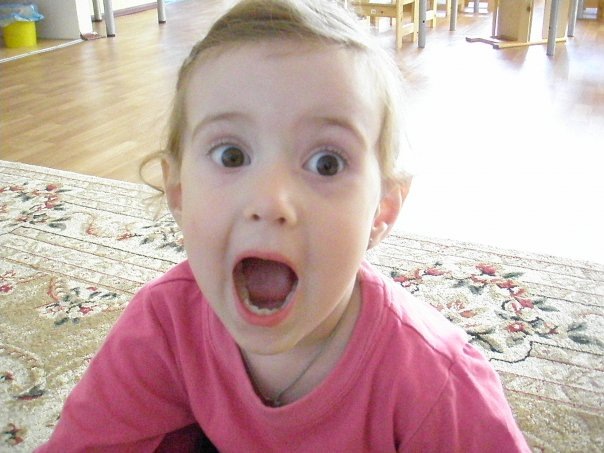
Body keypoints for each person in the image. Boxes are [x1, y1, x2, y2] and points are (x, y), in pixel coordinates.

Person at [37, 0, 530, 451]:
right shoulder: (166, 325)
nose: (270, 202)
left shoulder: (438, 386)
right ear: (179, 191)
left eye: (327, 164)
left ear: (381, 210)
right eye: (232, 155)